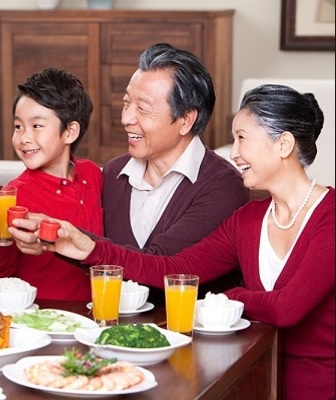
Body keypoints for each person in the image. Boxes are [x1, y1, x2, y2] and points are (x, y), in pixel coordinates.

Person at [26, 84, 334, 400]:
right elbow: (173, 268)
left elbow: (286, 309)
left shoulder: (330, 217)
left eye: (242, 138)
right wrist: (89, 248)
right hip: (254, 379)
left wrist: (229, 297)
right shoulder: (248, 220)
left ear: (283, 144)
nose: (234, 153)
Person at [12, 43, 250, 303]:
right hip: (106, 323)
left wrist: (84, 246)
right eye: (127, 103)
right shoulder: (113, 173)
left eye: (143, 108)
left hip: (186, 326)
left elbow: (165, 266)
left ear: (185, 120)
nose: (126, 118)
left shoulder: (223, 187)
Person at [0, 67, 103, 301]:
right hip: (39, 314)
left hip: (94, 312)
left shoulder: (92, 174)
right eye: (18, 126)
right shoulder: (13, 195)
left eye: (36, 126)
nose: (24, 138)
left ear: (70, 132)